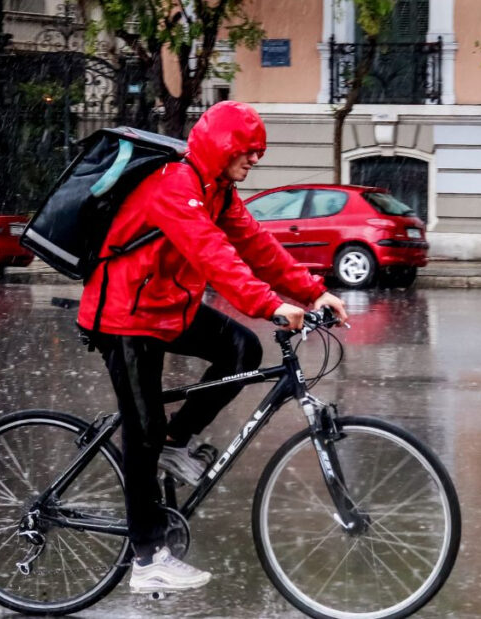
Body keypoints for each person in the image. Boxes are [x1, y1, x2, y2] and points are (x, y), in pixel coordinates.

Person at [76, 101, 348, 594]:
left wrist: (312, 291)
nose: (254, 162)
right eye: (248, 153)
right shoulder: (175, 185)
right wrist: (268, 304)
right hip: (124, 314)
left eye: (257, 155)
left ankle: (176, 446)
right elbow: (212, 252)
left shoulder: (217, 190)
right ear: (223, 147)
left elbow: (255, 245)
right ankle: (147, 557)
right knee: (142, 430)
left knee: (241, 351)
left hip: (166, 307)